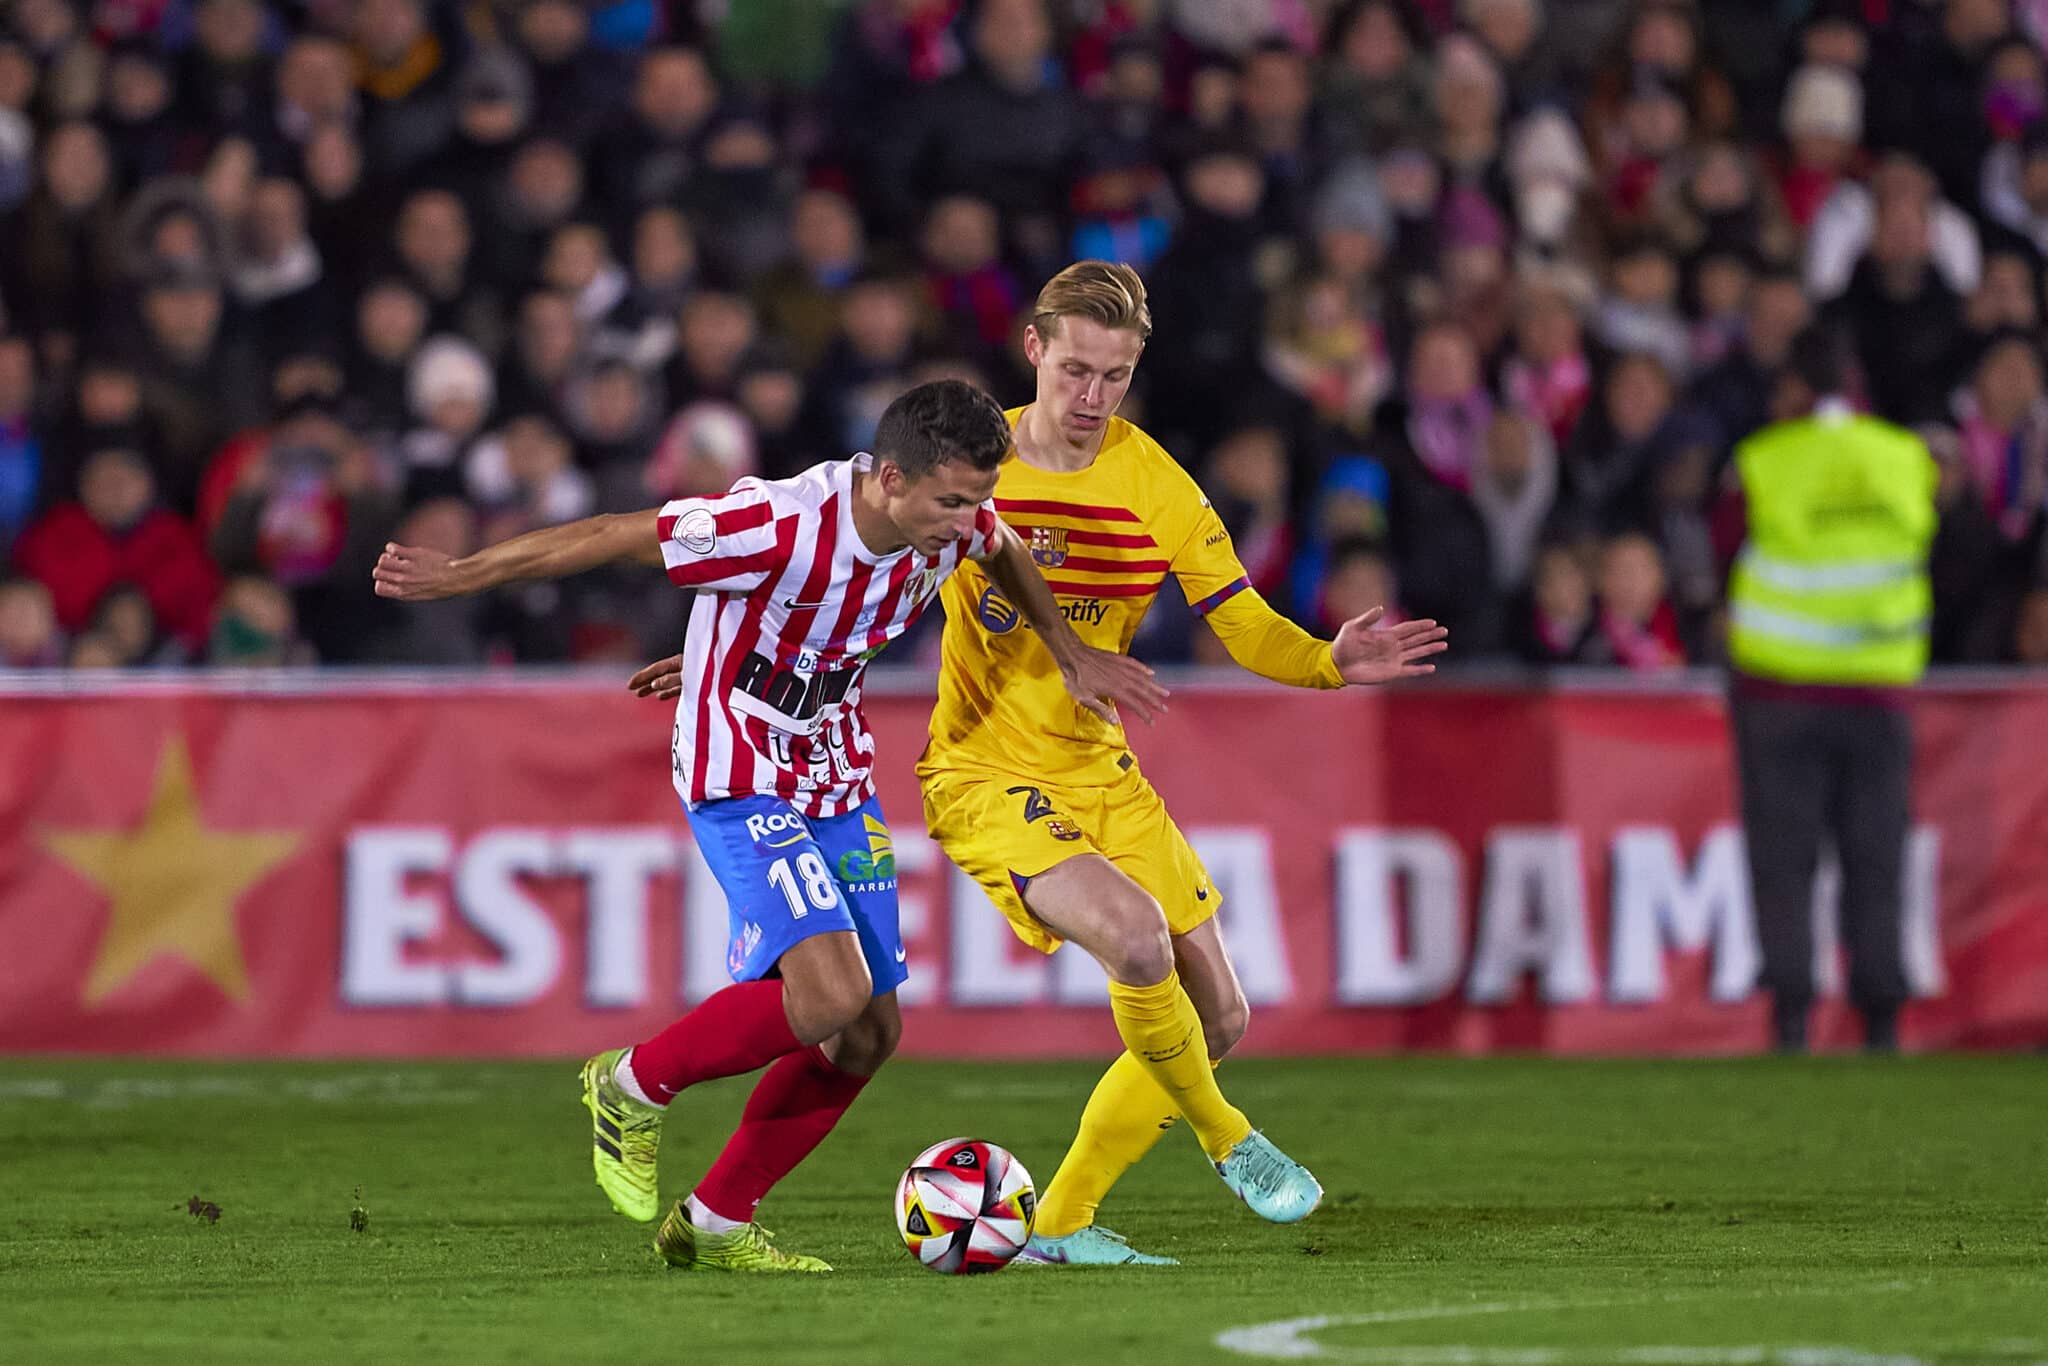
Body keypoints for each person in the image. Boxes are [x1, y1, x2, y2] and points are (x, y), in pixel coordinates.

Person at [641, 263, 1447, 1264]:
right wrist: (741, 656)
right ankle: (1226, 1138)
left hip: (1099, 772)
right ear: (1033, 349)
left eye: (1113, 375)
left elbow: (1237, 619)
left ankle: (1057, 1221)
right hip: (984, 773)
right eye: (1073, 369)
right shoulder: (970, 467)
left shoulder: (1154, 481)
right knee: (1137, 939)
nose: (1090, 396)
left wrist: (1326, 660)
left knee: (1218, 1013)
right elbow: (849, 569)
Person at [373, 379, 1163, 1272]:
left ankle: (714, 1223)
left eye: (979, 497)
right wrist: (463, 573)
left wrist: (1071, 651)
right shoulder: (777, 525)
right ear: (889, 479)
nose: (967, 520)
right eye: (951, 501)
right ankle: (629, 1085)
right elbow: (615, 535)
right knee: (829, 994)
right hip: (740, 769)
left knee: (870, 1031)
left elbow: (1005, 547)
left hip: (835, 771)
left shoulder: (958, 517)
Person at [1726, 326, 1939, 1053]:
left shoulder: (1764, 459)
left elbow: (1723, 547)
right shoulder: (1905, 457)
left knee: (1786, 862)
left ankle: (1791, 1018)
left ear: (1795, 390)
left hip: (1782, 695)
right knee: (1877, 857)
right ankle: (1881, 1018)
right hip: (1879, 693)